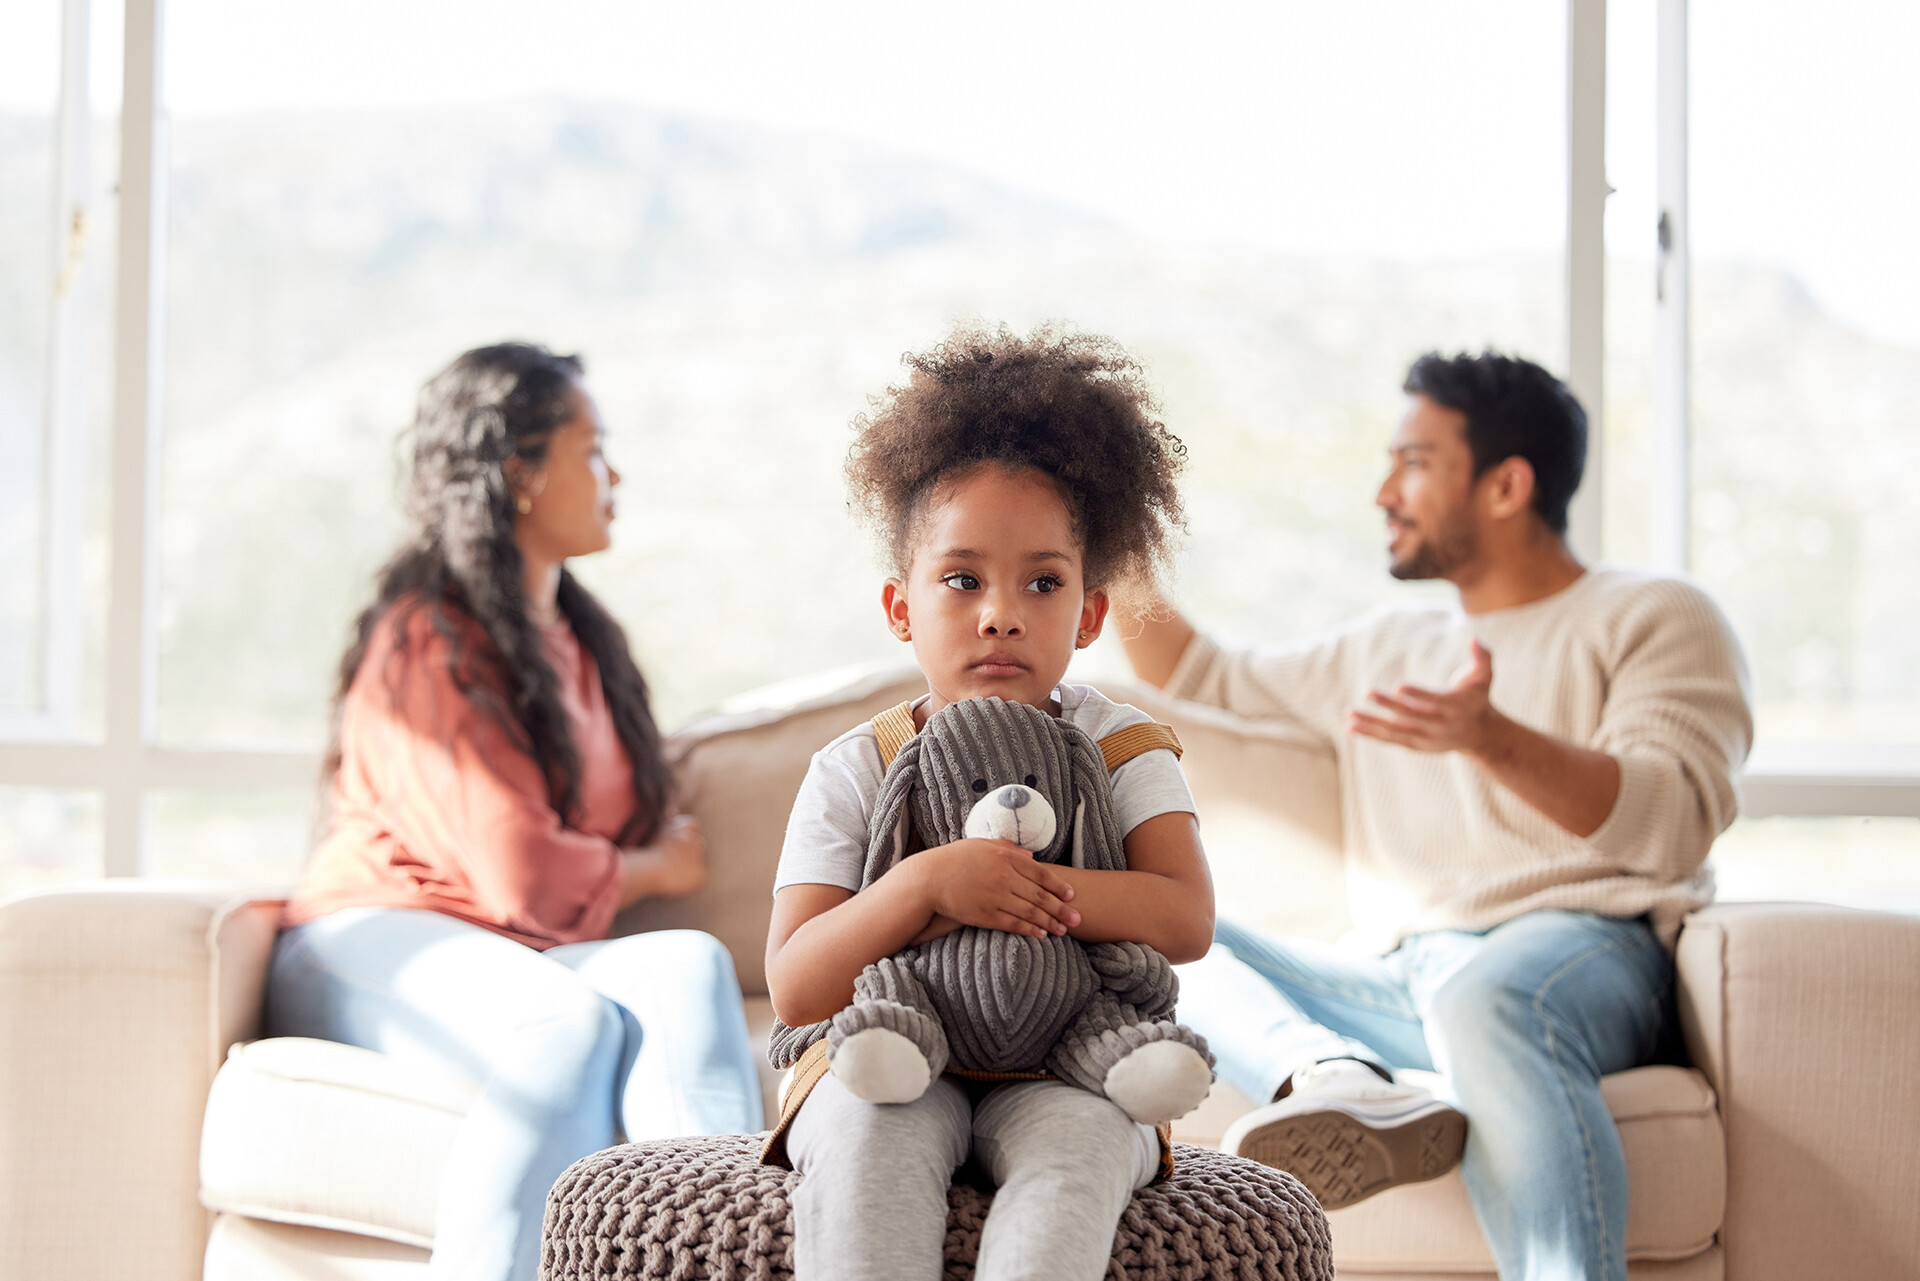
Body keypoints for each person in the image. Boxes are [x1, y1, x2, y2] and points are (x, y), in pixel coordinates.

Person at [1121, 351, 1752, 1281]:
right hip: (1407, 981)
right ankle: (1333, 1075)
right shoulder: (1388, 644)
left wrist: (1490, 736)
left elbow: (1671, 821)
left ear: (1506, 483)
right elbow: (1201, 674)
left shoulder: (1653, 613)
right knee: (1156, 937)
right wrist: (1108, 536)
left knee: (1488, 995)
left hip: (1582, 952)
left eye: (1414, 461)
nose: (1384, 489)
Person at [268, 342, 764, 1281]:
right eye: (591, 449)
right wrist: (653, 869)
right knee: (569, 1025)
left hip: (512, 955)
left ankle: (722, 1262)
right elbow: (523, 873)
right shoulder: (430, 637)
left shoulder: (583, 641)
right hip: (374, 933)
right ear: (519, 474)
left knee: (685, 965)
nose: (613, 474)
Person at [763, 325, 1214, 1281]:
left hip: (1067, 1065)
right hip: (891, 1062)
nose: (1000, 612)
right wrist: (928, 884)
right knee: (866, 1143)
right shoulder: (856, 764)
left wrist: (1025, 886)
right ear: (901, 608)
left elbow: (1184, 916)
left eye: (1041, 582)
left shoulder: (1122, 745)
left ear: (1089, 612)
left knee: (1081, 1154)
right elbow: (799, 984)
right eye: (961, 579)